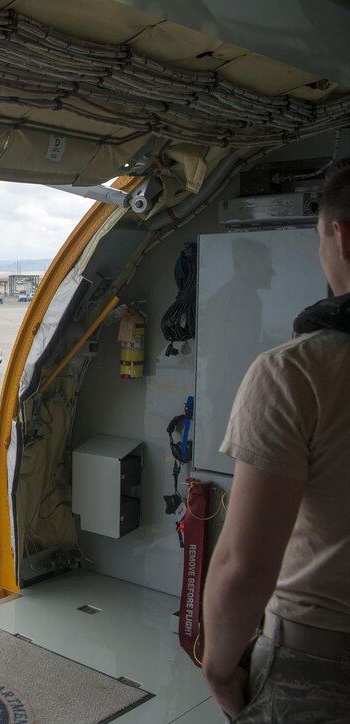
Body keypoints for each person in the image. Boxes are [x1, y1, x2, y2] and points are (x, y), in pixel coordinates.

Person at [203, 159, 350, 721]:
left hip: (320, 662)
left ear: (340, 236)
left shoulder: (296, 372)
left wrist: (217, 664)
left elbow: (243, 565)